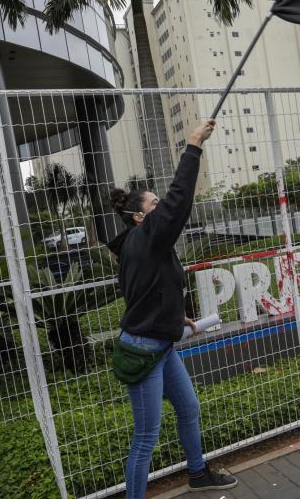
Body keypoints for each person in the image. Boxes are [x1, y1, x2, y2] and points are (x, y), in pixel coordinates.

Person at [107, 119, 237, 497]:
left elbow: (144, 290)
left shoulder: (142, 243)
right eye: (154, 204)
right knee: (146, 436)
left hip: (162, 343)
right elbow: (179, 199)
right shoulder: (144, 237)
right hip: (144, 349)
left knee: (189, 408)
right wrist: (193, 144)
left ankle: (197, 474)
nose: (161, 206)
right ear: (139, 217)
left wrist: (173, 314)